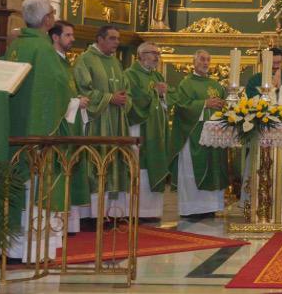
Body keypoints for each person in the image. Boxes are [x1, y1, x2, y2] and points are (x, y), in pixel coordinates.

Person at [4, 0, 85, 260]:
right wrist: (74, 104)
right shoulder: (44, 50)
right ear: (47, 20)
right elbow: (59, 90)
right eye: (52, 12)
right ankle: (33, 251)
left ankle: (11, 248)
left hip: (13, 134)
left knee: (17, 188)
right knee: (37, 187)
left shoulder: (16, 46)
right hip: (40, 136)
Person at [73, 25, 132, 219]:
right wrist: (109, 98)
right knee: (96, 163)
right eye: (112, 38)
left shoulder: (115, 62)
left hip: (116, 121)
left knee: (114, 164)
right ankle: (91, 215)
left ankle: (111, 213)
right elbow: (83, 89)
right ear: (99, 39)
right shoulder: (85, 60)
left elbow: (125, 88)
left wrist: (124, 99)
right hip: (96, 122)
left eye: (118, 39)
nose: (117, 42)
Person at [171, 50, 228, 218]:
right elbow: (182, 106)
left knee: (214, 169)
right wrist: (205, 103)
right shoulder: (186, 84)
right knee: (192, 170)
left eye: (208, 60)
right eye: (202, 59)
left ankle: (211, 207)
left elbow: (225, 107)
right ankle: (191, 209)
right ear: (194, 61)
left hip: (215, 137)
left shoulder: (216, 85)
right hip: (193, 135)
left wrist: (223, 105)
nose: (205, 63)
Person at [48, 21, 91, 233]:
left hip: (70, 125)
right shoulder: (51, 61)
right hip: (58, 127)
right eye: (68, 35)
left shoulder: (66, 63)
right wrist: (75, 102)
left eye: (72, 35)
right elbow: (52, 96)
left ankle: (69, 225)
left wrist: (77, 100)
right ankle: (58, 226)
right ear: (55, 37)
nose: (73, 39)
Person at [123, 42, 171, 220]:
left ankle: (152, 212)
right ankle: (136, 211)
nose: (157, 57)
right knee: (140, 166)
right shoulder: (130, 75)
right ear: (141, 55)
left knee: (154, 165)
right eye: (153, 53)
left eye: (158, 53)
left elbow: (166, 99)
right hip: (139, 127)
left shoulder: (157, 75)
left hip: (156, 128)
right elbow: (134, 100)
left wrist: (163, 94)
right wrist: (154, 92)